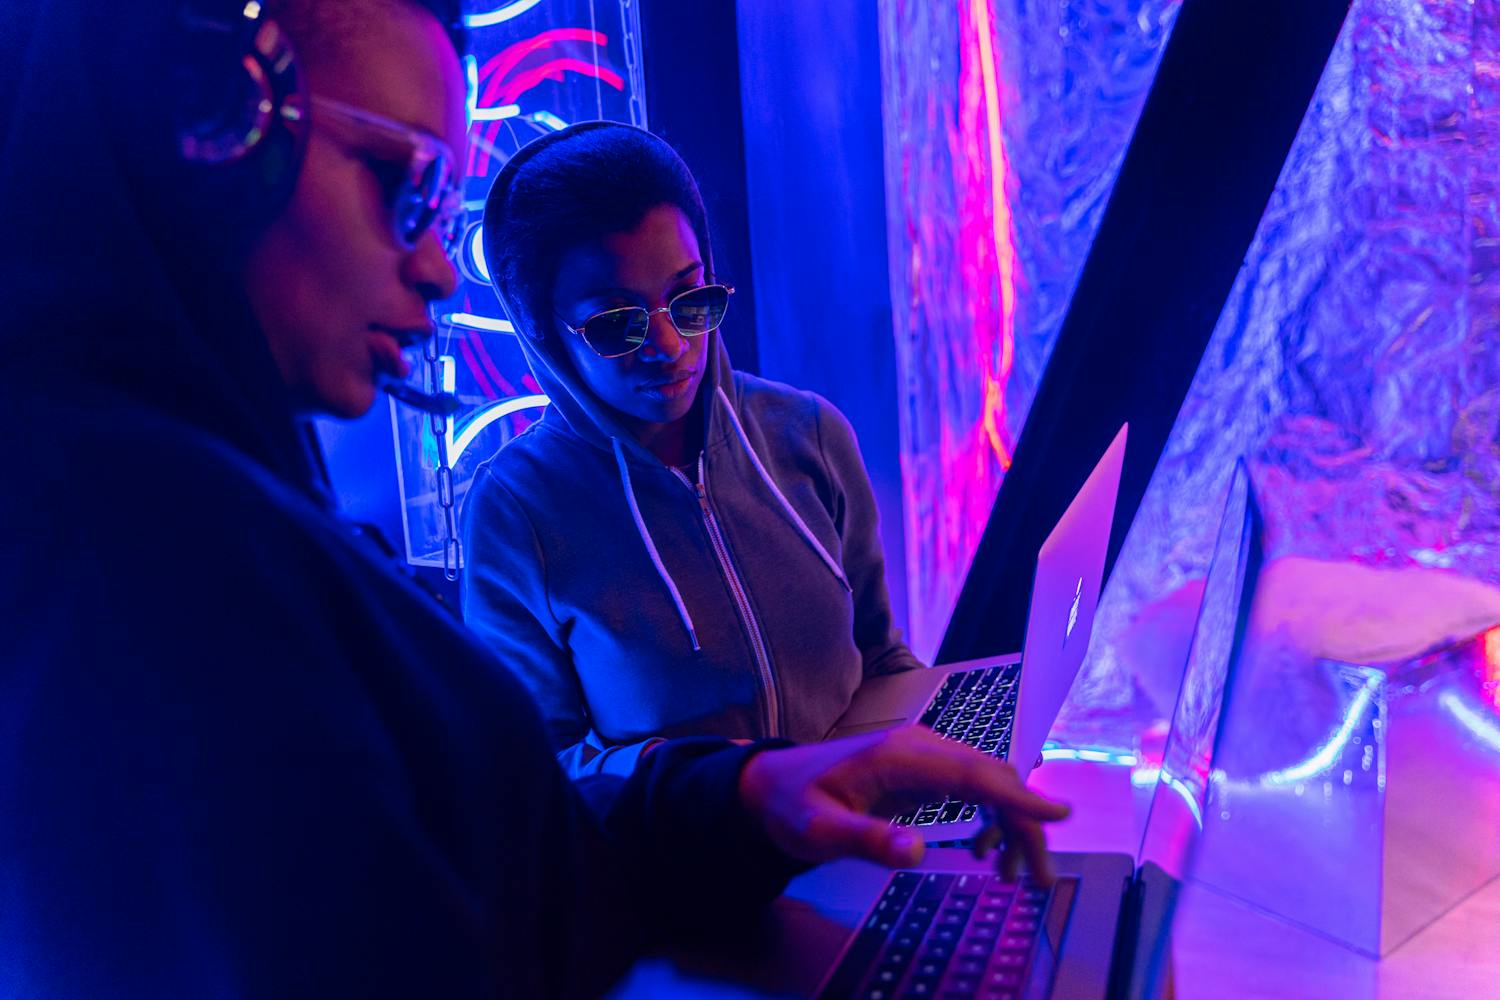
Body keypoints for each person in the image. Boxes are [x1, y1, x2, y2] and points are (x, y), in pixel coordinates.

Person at [0, 0, 1068, 995]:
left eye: (689, 300)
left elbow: (527, 871)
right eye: (399, 181)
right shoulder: (126, 562)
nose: (434, 269)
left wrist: (756, 797)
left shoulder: (228, 514)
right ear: (215, 119)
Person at [464, 122, 924, 777]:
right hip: (687, 847)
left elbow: (879, 659)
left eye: (690, 299)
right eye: (618, 324)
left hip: (867, 828)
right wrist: (721, 785)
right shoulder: (517, 510)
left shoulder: (810, 434)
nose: (671, 346)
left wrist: (944, 758)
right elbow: (535, 773)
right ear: (543, 332)